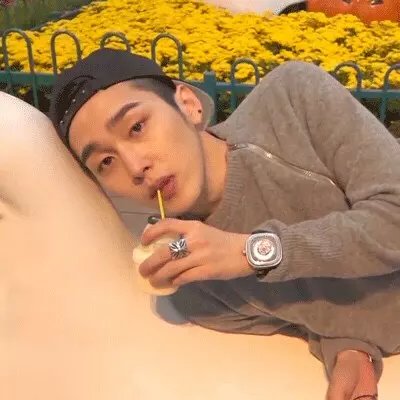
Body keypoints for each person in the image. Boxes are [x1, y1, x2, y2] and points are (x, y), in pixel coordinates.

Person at [48, 48, 400, 400]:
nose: (135, 165)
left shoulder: (292, 101)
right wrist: (350, 349)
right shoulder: (194, 288)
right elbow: (316, 312)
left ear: (188, 105)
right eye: (106, 162)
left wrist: (250, 252)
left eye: (137, 127)